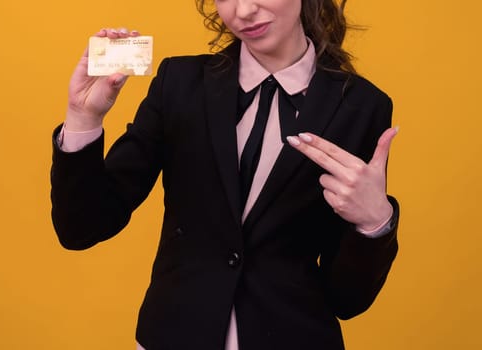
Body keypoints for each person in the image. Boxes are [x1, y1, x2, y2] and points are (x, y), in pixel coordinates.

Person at [50, 0, 399, 349]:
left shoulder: (363, 107)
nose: (243, 11)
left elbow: (347, 300)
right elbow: (82, 228)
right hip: (173, 335)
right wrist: (83, 117)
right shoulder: (180, 84)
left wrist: (374, 222)